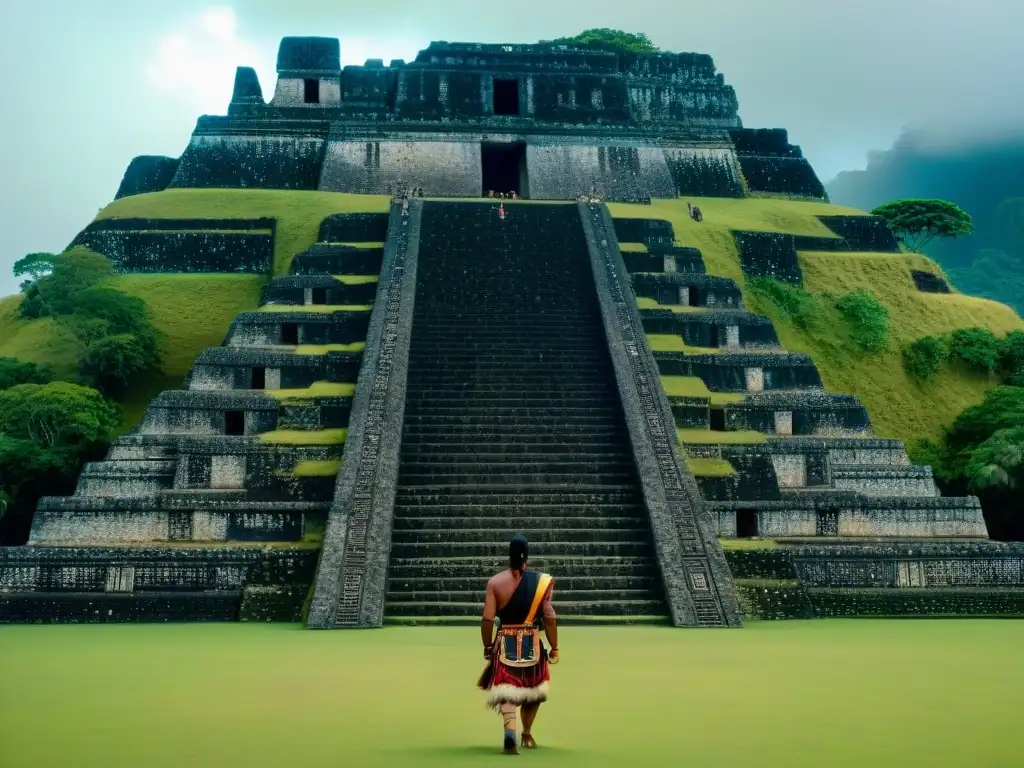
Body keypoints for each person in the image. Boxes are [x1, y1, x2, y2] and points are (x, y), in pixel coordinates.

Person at [478, 535, 558, 755]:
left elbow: (487, 619)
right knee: (533, 691)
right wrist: (555, 647)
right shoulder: (540, 582)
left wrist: (487, 646)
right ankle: (527, 734)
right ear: (527, 557)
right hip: (532, 645)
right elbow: (550, 617)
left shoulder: (495, 583)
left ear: (509, 555)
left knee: (507, 690)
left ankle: (510, 731)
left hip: (505, 645)